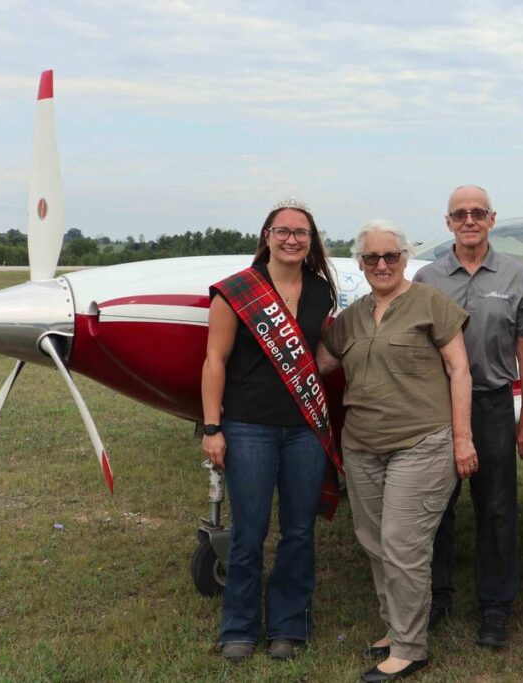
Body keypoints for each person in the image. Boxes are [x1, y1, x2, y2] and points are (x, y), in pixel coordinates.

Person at [316, 220, 476, 683]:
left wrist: (462, 438)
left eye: (391, 256)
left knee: (403, 544)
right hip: (363, 446)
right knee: (373, 541)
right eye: (371, 258)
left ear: (405, 258)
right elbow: (317, 365)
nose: (382, 265)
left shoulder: (431, 302)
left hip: (422, 442)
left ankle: (410, 648)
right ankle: (395, 626)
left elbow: (459, 371)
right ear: (361, 263)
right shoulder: (353, 316)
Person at [201, 198, 342, 662]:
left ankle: (289, 626)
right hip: (248, 428)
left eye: (301, 232)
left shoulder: (321, 290)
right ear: (267, 236)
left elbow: (318, 357)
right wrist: (213, 426)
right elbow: (214, 361)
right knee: (249, 532)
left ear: (310, 241)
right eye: (282, 231)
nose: (291, 239)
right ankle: (238, 628)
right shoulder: (237, 291)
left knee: (299, 531)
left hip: (305, 429)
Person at [414, 185, 523, 648]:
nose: (469, 220)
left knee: (497, 508)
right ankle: (437, 598)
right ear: (448, 222)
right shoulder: (427, 278)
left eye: (478, 213)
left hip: (492, 404)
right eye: (460, 214)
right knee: (435, 507)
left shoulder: (515, 275)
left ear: (492, 219)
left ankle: (495, 607)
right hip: (435, 406)